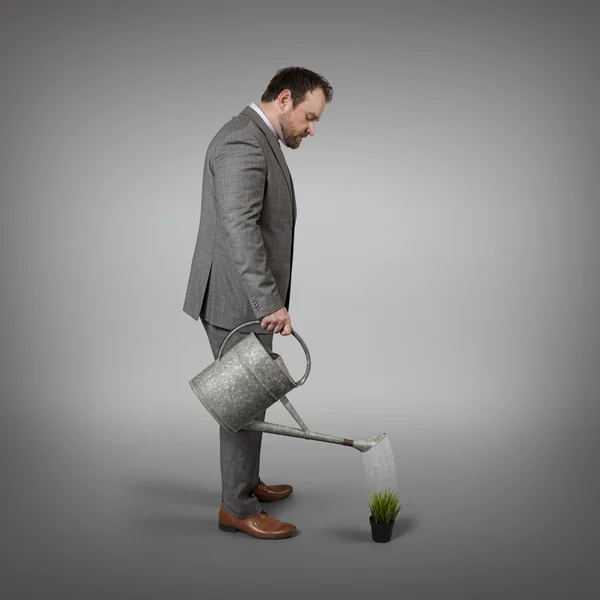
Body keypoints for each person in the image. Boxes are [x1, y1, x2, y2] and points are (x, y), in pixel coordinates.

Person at [183, 67, 333, 539]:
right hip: (236, 300)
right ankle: (238, 507)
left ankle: (246, 482)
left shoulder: (254, 137)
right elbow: (240, 229)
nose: (312, 129)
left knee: (252, 396)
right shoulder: (243, 142)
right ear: (284, 99)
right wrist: (271, 301)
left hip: (243, 297)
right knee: (243, 404)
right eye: (309, 117)